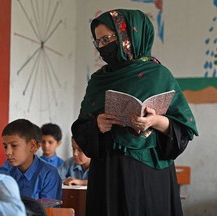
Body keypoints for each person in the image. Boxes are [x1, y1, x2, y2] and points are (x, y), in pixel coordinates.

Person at [71, 9, 198, 216]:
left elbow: (183, 129)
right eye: (98, 42)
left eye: (107, 39)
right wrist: (97, 126)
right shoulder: (98, 80)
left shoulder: (159, 76)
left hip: (150, 172)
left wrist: (155, 121)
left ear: (128, 37)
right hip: (108, 174)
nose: (102, 47)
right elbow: (81, 129)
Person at [0, 119, 62, 200]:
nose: (7, 152)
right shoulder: (8, 175)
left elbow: (48, 211)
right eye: (5, 146)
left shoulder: (49, 175)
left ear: (32, 146)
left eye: (14, 145)